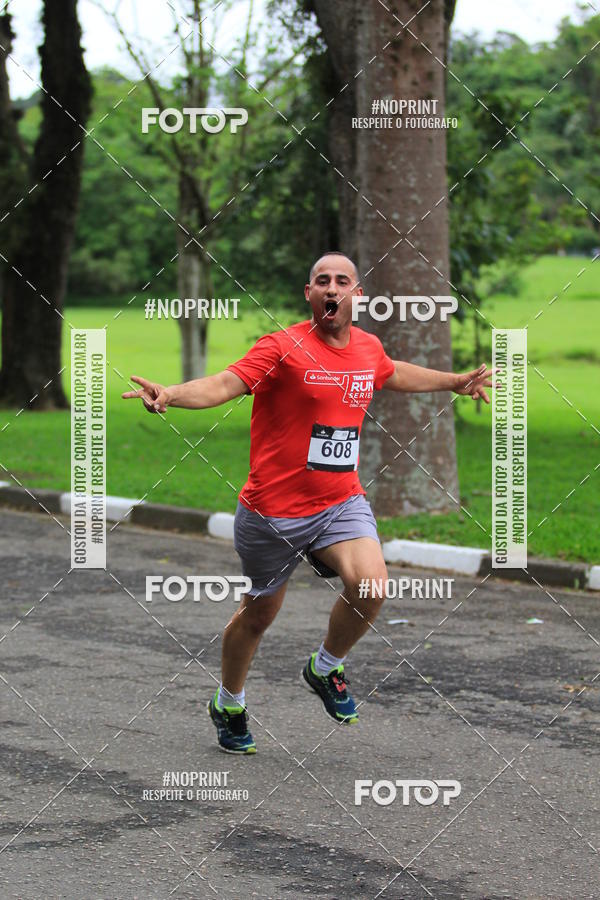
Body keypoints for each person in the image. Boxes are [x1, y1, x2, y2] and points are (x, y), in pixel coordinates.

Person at [123, 252, 495, 754]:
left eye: (342, 281)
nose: (332, 288)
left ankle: (325, 667)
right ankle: (228, 702)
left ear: (357, 295)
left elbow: (390, 373)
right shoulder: (282, 347)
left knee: (371, 585)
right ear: (310, 293)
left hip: (339, 502)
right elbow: (225, 383)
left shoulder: (367, 348)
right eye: (322, 280)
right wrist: (171, 394)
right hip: (272, 513)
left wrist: (454, 382)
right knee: (257, 616)